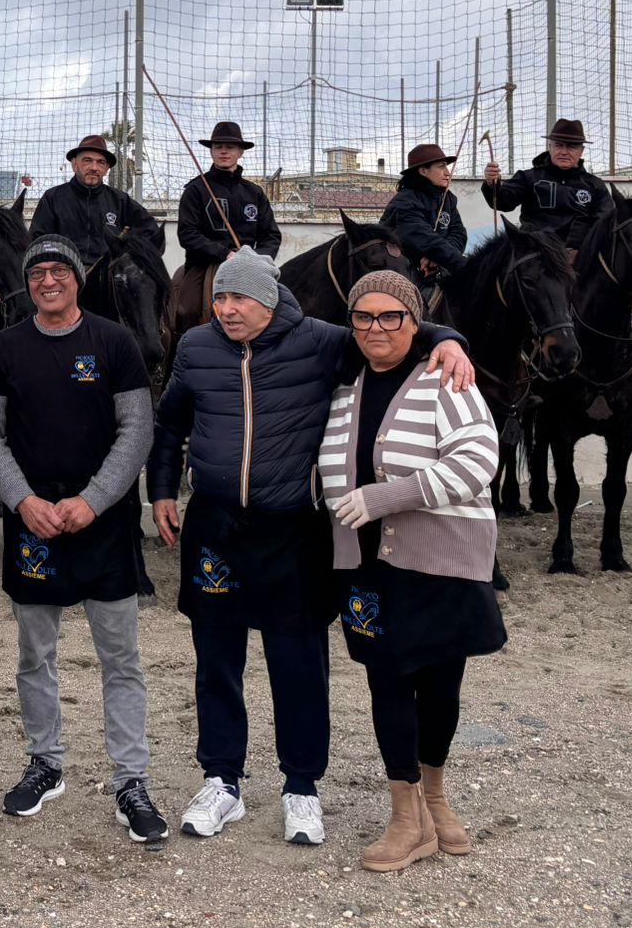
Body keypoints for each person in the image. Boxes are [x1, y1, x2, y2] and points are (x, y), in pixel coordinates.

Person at [147, 248, 475, 847]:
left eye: (239, 298)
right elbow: (170, 423)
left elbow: (388, 328)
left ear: (270, 299)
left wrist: (448, 337)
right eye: (220, 297)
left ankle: (301, 785)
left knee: (297, 665)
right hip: (215, 526)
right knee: (216, 660)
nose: (226, 309)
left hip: (292, 529)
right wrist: (162, 490)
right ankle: (221, 779)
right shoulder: (196, 348)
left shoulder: (323, 342)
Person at [0, 233, 168, 842]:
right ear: (26, 283)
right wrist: (22, 500)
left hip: (101, 524)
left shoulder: (115, 343)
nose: (47, 281)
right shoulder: (3, 348)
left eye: (59, 271)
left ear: (77, 278)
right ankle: (45, 762)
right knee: (35, 654)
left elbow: (136, 431)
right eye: (37, 273)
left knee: (121, 659)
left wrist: (93, 500)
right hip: (32, 523)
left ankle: (131, 780)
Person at [319, 271, 506, 871]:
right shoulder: (344, 385)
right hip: (367, 563)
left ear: (414, 322)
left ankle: (435, 796)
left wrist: (383, 497)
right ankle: (406, 814)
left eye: (391, 317)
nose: (376, 328)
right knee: (387, 682)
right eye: (364, 317)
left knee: (441, 683)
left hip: (440, 558)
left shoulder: (445, 377)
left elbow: (479, 459)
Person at [169, 121, 282, 334]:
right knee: (186, 310)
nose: (223, 151)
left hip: (251, 264)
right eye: (218, 146)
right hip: (204, 265)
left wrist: (256, 259)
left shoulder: (254, 192)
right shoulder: (196, 189)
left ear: (240, 152)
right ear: (211, 151)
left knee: (282, 308)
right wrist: (225, 254)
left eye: (229, 147)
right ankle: (178, 356)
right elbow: (188, 234)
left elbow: (271, 235)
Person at [31, 133, 165, 272]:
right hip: (65, 276)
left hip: (109, 279)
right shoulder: (53, 198)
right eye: (87, 160)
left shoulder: (119, 200)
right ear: (75, 164)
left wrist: (127, 255)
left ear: (106, 169)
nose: (94, 167)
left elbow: (150, 232)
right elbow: (38, 241)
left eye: (100, 162)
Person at [480, 119, 609, 252]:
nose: (564, 152)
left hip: (580, 258)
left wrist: (584, 252)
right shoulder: (528, 177)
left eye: (571, 146)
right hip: (534, 256)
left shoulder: (595, 186)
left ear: (581, 151)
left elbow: (604, 223)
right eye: (559, 145)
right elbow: (502, 202)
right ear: (550, 147)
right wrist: (492, 183)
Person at [380, 144, 468, 283]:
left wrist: (436, 258)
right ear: (423, 171)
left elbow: (459, 234)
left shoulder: (447, 198)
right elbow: (423, 239)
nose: (448, 172)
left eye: (447, 166)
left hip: (436, 269)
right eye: (441, 166)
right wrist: (468, 267)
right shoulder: (405, 202)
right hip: (399, 275)